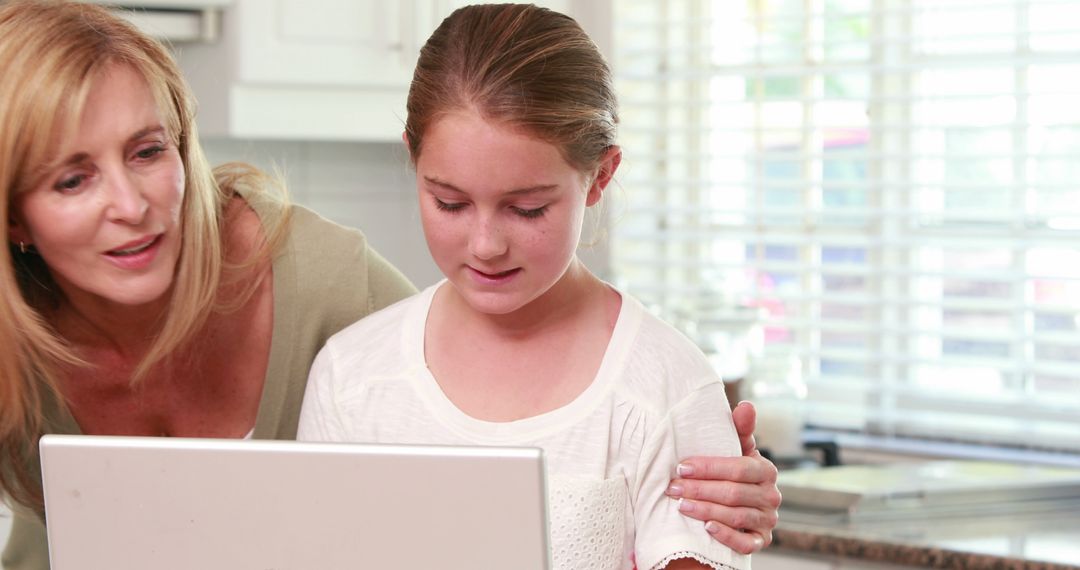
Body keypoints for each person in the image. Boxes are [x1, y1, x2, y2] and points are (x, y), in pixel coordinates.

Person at [0, 2, 777, 568]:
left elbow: (470, 367)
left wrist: (706, 446)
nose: (131, 206)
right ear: (13, 219)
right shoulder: (358, 369)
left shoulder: (319, 287)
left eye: (147, 151)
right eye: (72, 179)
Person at [297, 4, 777, 569]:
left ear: (599, 176)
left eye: (526, 209)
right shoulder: (351, 376)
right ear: (412, 158)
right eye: (449, 202)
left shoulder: (667, 389)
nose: (485, 244)